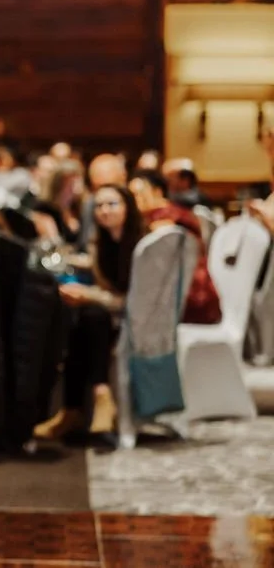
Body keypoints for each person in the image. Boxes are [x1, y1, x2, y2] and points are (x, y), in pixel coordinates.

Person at [35, 185, 144, 440]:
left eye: (112, 204)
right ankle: (79, 406)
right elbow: (98, 275)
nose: (105, 211)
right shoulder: (101, 242)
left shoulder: (140, 246)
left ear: (128, 207)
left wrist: (89, 295)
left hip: (136, 318)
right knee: (78, 318)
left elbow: (129, 300)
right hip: (109, 316)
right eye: (99, 205)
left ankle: (89, 403)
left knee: (91, 315)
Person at [129, 170, 221, 325]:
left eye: (138, 194)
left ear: (157, 192)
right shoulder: (169, 214)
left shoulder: (166, 221)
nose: (134, 202)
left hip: (189, 299)